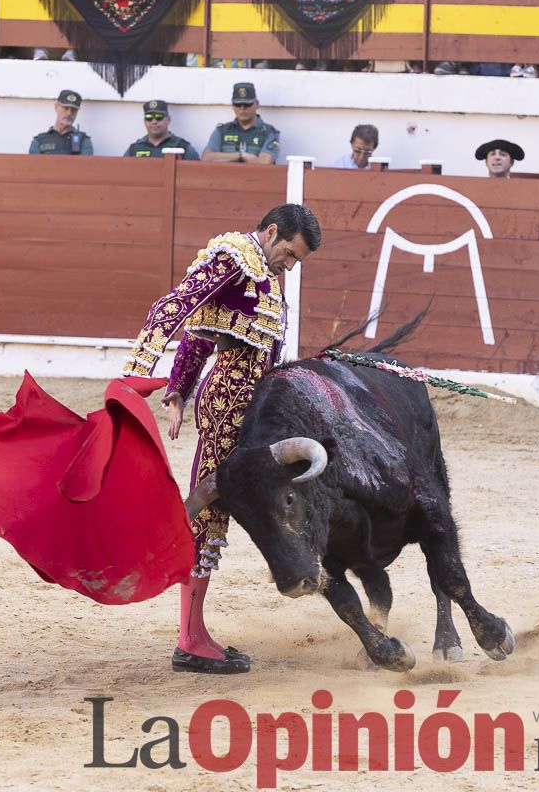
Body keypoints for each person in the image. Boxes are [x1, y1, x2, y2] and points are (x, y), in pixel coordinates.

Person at [121, 203, 323, 674]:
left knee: (224, 508)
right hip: (229, 399)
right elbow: (178, 308)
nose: (290, 266)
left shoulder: (265, 272)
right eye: (289, 254)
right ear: (272, 232)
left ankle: (196, 631)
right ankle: (189, 640)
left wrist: (180, 387)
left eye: (296, 262)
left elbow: (206, 327)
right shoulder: (235, 257)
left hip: (251, 402)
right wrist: (141, 372)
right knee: (210, 509)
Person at [202, 82, 280, 165]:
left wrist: (225, 158)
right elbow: (206, 158)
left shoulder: (269, 132)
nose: (242, 108)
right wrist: (241, 155)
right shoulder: (222, 131)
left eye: (247, 104)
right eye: (238, 104)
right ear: (232, 105)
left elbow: (265, 162)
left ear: (257, 104)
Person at [123, 100, 200, 160]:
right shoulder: (134, 149)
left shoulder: (182, 147)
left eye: (159, 117)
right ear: (144, 121)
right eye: (149, 117)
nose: (154, 122)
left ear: (168, 119)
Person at [28, 90, 94, 156]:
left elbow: (85, 165)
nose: (69, 113)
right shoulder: (39, 141)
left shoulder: (83, 141)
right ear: (56, 107)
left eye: (74, 109)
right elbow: (34, 165)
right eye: (65, 108)